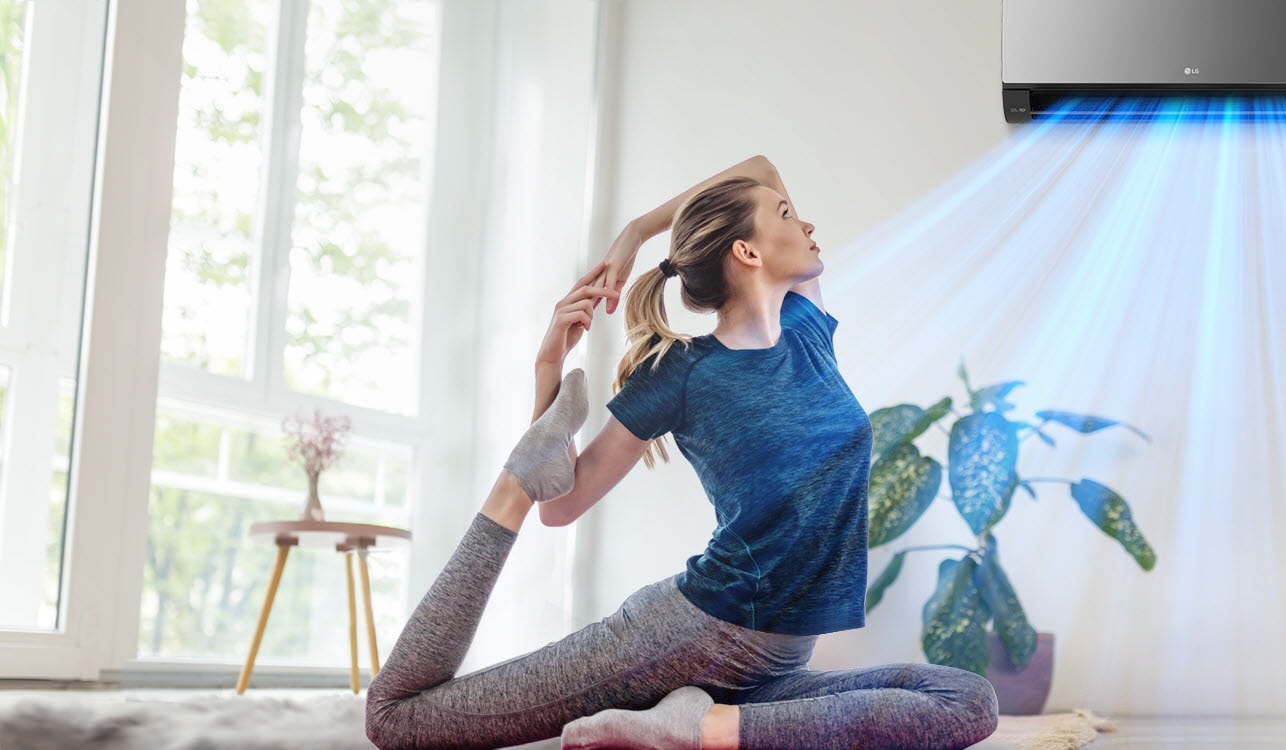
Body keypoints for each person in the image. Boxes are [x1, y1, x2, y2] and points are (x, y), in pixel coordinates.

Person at [365, 156, 999, 750]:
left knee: (964, 700)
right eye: (784, 215)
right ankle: (510, 490)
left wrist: (637, 231)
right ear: (747, 251)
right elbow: (560, 507)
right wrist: (548, 366)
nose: (805, 222)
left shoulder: (807, 331)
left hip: (775, 661)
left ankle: (704, 724)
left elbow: (757, 167)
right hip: (691, 635)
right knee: (398, 718)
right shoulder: (683, 373)